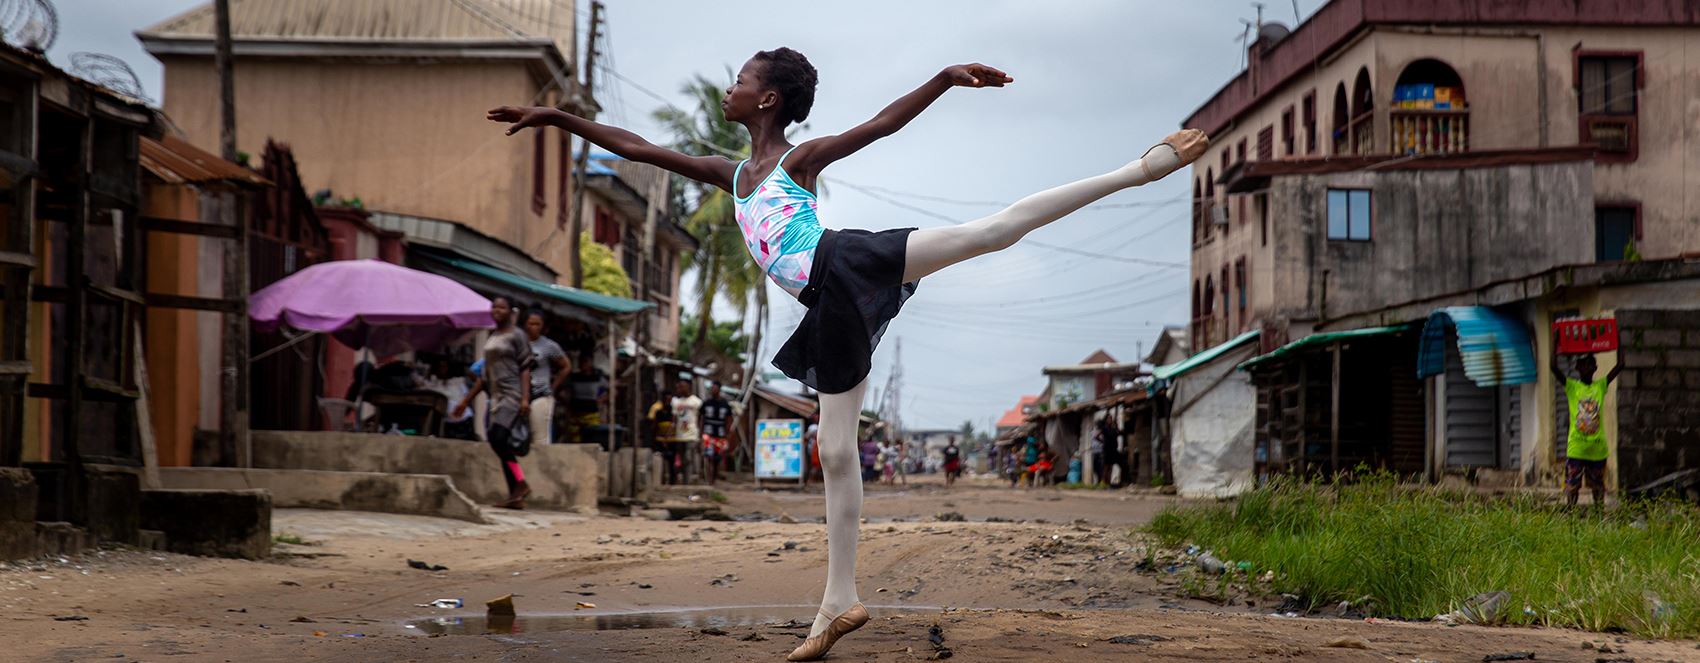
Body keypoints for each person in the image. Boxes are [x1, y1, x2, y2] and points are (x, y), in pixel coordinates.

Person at [488, 48, 1205, 660]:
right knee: (834, 451)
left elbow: (880, 126)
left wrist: (942, 78)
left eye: (739, 79)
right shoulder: (728, 173)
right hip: (827, 305)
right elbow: (636, 146)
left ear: (765, 98)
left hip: (846, 262)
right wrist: (553, 118)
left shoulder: (797, 159)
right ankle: (839, 602)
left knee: (990, 232)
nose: (729, 88)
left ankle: (1140, 169)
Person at [451, 297, 534, 509]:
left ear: (510, 311)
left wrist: (525, 398)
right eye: (494, 306)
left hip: (512, 394)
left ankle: (520, 484)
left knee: (498, 438)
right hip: (495, 396)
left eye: (502, 307)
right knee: (498, 441)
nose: (497, 310)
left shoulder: (517, 335)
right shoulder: (492, 337)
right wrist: (465, 401)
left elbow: (525, 368)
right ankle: (516, 491)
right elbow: (484, 376)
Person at [1551, 346, 1621, 510]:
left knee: (1598, 487)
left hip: (1597, 448)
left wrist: (1617, 339)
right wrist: (1556, 341)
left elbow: (1620, 365)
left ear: (1595, 368)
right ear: (1577, 368)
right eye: (1584, 364)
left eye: (1590, 364)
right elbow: (1553, 367)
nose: (1587, 368)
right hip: (1577, 448)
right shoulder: (1572, 387)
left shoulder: (1600, 386)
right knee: (1572, 486)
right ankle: (1571, 518)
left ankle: (1598, 517)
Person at [524, 311, 570, 447]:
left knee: (540, 439)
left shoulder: (548, 345)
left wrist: (553, 387)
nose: (534, 327)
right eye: (531, 323)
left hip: (541, 393)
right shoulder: (516, 343)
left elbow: (566, 366)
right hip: (518, 395)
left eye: (537, 324)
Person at [564, 349, 608, 444]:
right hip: (575, 414)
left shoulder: (598, 378)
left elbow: (612, 391)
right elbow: (563, 391)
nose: (582, 364)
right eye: (580, 361)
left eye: (585, 361)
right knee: (575, 442)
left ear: (591, 363)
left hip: (591, 414)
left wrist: (602, 399)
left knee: (592, 440)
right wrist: (566, 401)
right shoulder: (573, 377)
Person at [669, 378, 703, 483]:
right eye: (678, 387)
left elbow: (701, 418)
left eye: (682, 387)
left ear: (688, 387)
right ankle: (682, 479)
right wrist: (671, 430)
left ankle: (687, 481)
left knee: (688, 458)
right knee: (681, 459)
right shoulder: (675, 401)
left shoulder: (696, 401)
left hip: (691, 434)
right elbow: (674, 418)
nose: (679, 389)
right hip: (679, 435)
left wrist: (700, 433)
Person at [700, 382, 734, 485]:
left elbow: (729, 419)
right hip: (708, 433)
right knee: (708, 456)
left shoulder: (725, 404)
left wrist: (728, 433)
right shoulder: (706, 403)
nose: (713, 390)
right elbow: (701, 417)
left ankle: (714, 477)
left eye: (715, 388)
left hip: (720, 434)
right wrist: (700, 432)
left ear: (719, 389)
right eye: (712, 388)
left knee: (717, 457)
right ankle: (709, 479)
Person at [646, 391, 678, 484]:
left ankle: (673, 481)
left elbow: (675, 424)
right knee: (660, 461)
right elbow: (654, 426)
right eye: (666, 399)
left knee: (672, 461)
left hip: (672, 440)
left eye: (669, 399)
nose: (667, 401)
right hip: (660, 440)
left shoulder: (674, 412)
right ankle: (661, 480)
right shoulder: (658, 412)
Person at [1098, 415, 1126, 488]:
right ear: (1106, 420)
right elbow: (1096, 436)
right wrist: (1103, 442)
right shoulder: (1104, 428)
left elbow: (1121, 433)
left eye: (1111, 419)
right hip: (1107, 450)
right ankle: (1103, 482)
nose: (1110, 420)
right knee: (1106, 466)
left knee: (1111, 466)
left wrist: (1116, 426)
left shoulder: (1113, 429)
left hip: (1113, 450)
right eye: (1109, 419)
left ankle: (1108, 483)